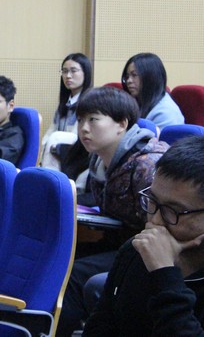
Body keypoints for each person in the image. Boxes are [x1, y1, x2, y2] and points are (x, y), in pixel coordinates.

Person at [57, 86, 169, 336]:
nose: (83, 128)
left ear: (122, 124)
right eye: (81, 120)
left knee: (72, 274)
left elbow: (163, 227)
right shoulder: (99, 161)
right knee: (59, 256)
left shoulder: (147, 165)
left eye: (93, 120)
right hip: (118, 241)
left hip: (147, 251)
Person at [82, 136, 204, 335]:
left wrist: (165, 275)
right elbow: (99, 328)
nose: (155, 221)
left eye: (173, 211)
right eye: (152, 202)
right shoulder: (135, 251)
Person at [40, 53, 93, 173]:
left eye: (73, 71)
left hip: (80, 152)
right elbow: (51, 130)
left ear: (85, 73)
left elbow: (77, 135)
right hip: (59, 149)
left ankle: (51, 177)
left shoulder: (90, 101)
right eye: (64, 71)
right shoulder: (65, 102)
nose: (68, 76)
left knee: (56, 137)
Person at [121, 52, 184, 129]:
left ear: (150, 77)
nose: (129, 81)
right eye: (127, 76)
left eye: (134, 75)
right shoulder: (139, 102)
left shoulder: (165, 112)